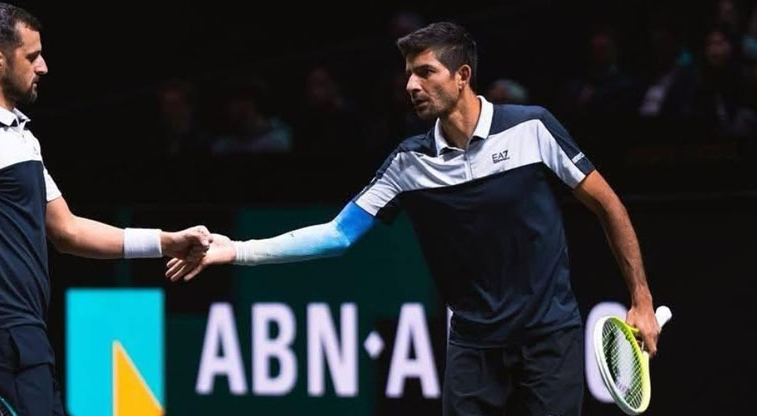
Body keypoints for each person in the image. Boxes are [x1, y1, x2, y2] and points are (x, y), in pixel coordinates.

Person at [166, 22, 661, 416]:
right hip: (473, 347)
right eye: (408, 73)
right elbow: (338, 235)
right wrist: (236, 250)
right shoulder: (408, 162)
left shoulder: (532, 127)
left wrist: (640, 298)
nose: (411, 85)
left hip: (548, 339)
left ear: (462, 76)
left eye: (426, 72)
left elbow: (607, 204)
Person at [0, 3, 210, 415]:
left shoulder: (21, 139)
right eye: (32, 56)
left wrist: (166, 242)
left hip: (25, 338)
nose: (44, 67)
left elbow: (67, 230)